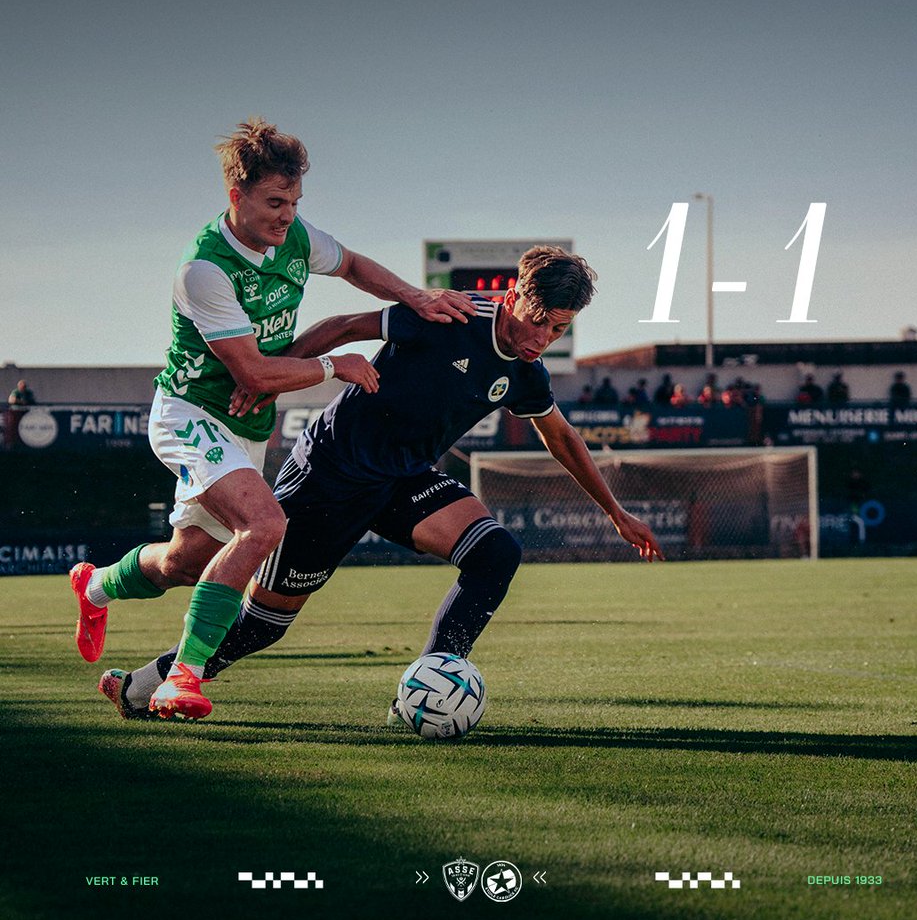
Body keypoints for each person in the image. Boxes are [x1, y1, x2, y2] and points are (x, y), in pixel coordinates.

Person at [100, 246, 663, 722]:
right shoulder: (447, 317)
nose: (541, 337)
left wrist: (615, 512)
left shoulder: (523, 370)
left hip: (405, 481)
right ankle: (145, 685)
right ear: (513, 294)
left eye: (558, 328)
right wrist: (272, 378)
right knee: (263, 625)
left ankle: (428, 686)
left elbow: (560, 436)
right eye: (537, 320)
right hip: (330, 475)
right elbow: (339, 327)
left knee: (496, 553)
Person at [70, 117, 474, 720]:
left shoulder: (295, 237)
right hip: (189, 413)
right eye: (274, 202)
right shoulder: (203, 270)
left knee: (186, 561)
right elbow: (254, 375)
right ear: (236, 196)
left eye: (294, 203)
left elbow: (355, 265)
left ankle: (96, 585)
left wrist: (416, 297)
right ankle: (182, 679)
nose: (287, 216)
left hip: (245, 426)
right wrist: (334, 366)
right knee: (263, 526)